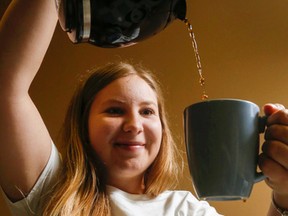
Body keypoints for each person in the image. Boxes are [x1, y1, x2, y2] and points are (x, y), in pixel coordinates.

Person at [0, 0, 287, 216]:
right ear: (83, 125)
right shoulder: (55, 191)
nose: (134, 124)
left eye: (148, 112)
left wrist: (284, 195)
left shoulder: (187, 209)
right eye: (114, 110)